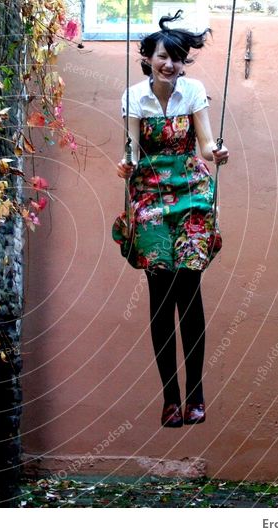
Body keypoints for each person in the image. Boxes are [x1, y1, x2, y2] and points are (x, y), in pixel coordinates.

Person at [112, 10, 229, 428]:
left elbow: (205, 144)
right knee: (160, 291)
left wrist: (217, 153)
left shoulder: (193, 91)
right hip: (149, 195)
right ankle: (170, 399)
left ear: (184, 62)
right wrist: (125, 165)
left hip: (191, 192)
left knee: (189, 288)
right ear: (148, 58)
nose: (170, 64)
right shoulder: (133, 97)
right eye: (163, 56)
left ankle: (195, 395)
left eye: (177, 58)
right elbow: (130, 149)